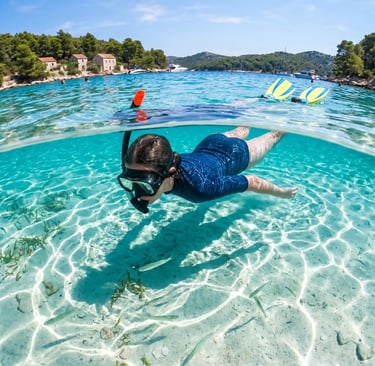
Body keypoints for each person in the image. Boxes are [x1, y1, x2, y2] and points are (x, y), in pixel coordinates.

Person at [118, 127, 298, 213]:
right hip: (210, 142)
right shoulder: (164, 166)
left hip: (235, 154)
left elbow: (252, 181)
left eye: (145, 184)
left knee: (274, 135)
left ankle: (292, 117)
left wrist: (282, 193)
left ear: (170, 172)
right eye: (129, 180)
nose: (137, 192)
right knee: (244, 126)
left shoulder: (201, 189)